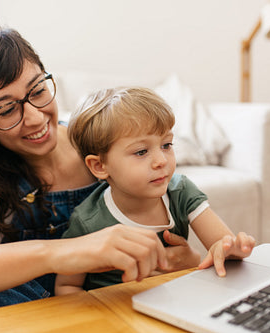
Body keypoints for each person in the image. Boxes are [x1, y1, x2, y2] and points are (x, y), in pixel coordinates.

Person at [0, 22, 201, 317]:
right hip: (37, 314)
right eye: (6, 110)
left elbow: (171, 200)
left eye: (37, 91)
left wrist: (183, 264)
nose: (35, 118)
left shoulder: (101, 143)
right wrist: (61, 252)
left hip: (117, 305)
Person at [55, 87, 256, 295]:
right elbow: (67, 286)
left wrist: (230, 250)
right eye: (141, 152)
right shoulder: (88, 221)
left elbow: (221, 244)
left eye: (166, 145)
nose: (161, 161)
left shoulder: (180, 190)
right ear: (99, 166)